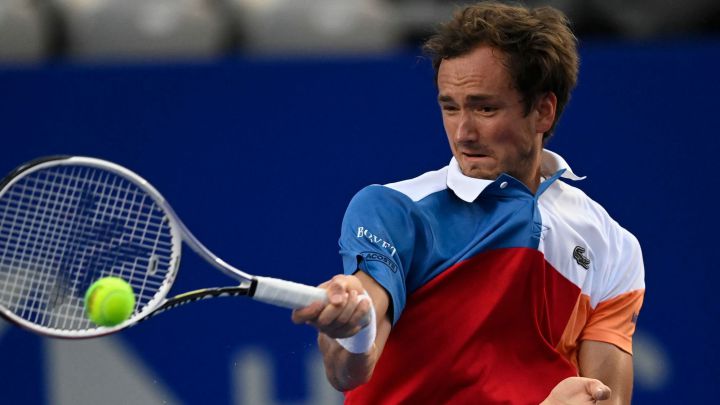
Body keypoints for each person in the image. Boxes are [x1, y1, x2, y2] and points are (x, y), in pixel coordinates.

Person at [293, 2, 645, 404]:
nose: (463, 133)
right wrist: (351, 331)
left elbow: (608, 399)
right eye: (450, 107)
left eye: (484, 108)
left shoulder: (612, 246)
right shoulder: (394, 209)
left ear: (543, 111)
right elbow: (349, 369)